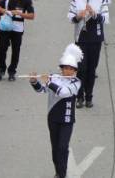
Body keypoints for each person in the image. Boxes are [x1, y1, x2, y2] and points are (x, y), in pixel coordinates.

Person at [29, 44, 82, 178]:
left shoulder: (76, 83)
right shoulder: (54, 78)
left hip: (67, 120)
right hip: (53, 118)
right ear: (62, 68)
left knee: (63, 147)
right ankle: (58, 171)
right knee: (55, 148)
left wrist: (48, 82)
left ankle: (62, 174)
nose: (68, 71)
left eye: (71, 69)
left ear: (75, 71)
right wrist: (34, 82)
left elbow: (63, 92)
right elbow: (41, 90)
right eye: (65, 68)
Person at [68, 0, 109, 109]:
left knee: (91, 69)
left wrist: (94, 14)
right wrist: (78, 16)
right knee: (81, 69)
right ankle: (79, 97)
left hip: (95, 38)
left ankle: (89, 97)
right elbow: (70, 17)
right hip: (81, 38)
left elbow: (105, 18)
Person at [0, 0, 35, 81]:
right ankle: (1, 70)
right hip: (5, 26)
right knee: (2, 48)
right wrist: (6, 11)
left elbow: (32, 16)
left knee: (16, 50)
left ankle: (12, 71)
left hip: (17, 28)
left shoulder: (27, 0)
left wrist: (20, 13)